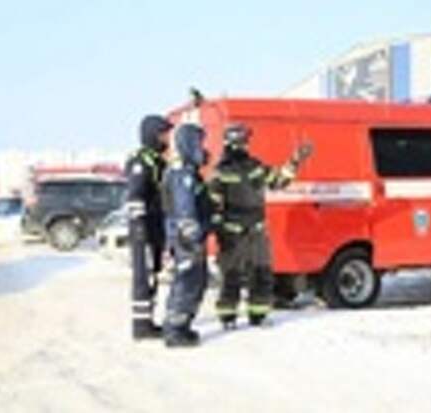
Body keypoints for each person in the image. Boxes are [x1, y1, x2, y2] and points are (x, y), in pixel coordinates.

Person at [208, 123, 313, 329]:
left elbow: (278, 181)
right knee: (231, 276)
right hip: (233, 234)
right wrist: (220, 231)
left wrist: (295, 161)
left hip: (256, 231)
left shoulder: (255, 167)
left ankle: (258, 314)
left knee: (261, 273)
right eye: (243, 142)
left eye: (246, 142)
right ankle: (228, 317)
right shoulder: (220, 172)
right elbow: (213, 205)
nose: (246, 146)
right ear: (232, 143)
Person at [162, 123, 213, 347]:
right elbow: (185, 209)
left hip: (188, 236)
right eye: (200, 143)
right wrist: (191, 236)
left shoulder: (189, 172)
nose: (203, 148)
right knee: (187, 281)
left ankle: (182, 325)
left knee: (195, 280)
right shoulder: (183, 174)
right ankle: (175, 330)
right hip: (186, 239)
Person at [125, 115, 172, 340]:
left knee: (153, 273)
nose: (166, 139)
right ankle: (141, 326)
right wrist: (139, 227)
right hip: (143, 228)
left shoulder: (158, 161)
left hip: (155, 225)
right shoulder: (141, 161)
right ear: (152, 135)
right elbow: (135, 195)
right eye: (163, 134)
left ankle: (147, 320)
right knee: (144, 275)